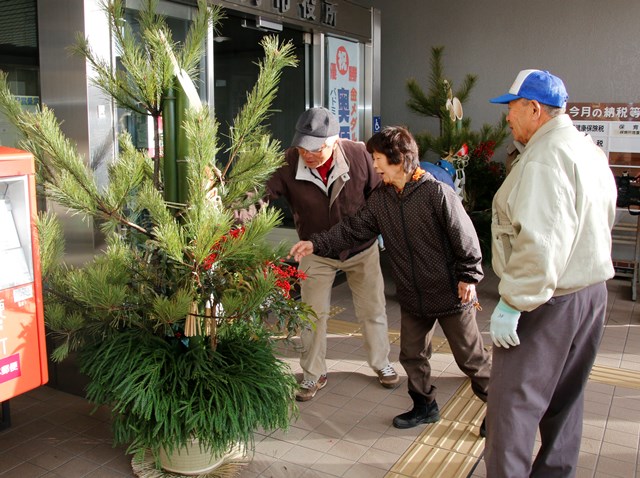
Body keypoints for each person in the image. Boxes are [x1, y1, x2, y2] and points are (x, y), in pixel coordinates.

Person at [289, 126, 491, 432]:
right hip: (413, 294)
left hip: (450, 294)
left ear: (399, 159)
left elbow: (466, 239)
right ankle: (424, 406)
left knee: (471, 359)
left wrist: (469, 277)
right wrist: (315, 244)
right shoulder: (382, 199)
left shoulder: (436, 194)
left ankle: (501, 410)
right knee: (411, 354)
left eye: (378, 158)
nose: (374, 165)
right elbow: (353, 229)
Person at [487, 69, 617, 477]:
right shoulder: (586, 148)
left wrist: (513, 303)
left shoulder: (545, 157)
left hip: (548, 300)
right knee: (566, 399)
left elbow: (540, 241)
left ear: (534, 108)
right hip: (591, 293)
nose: (507, 118)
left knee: (512, 407)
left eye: (511, 109)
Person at [267, 107, 398, 401]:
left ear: (335, 141)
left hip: (361, 248)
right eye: (302, 147)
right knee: (312, 315)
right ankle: (314, 374)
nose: (308, 155)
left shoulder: (360, 155)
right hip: (314, 249)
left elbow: (380, 197)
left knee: (372, 310)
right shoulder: (288, 162)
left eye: (316, 148)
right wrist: (236, 213)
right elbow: (260, 194)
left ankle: (382, 363)